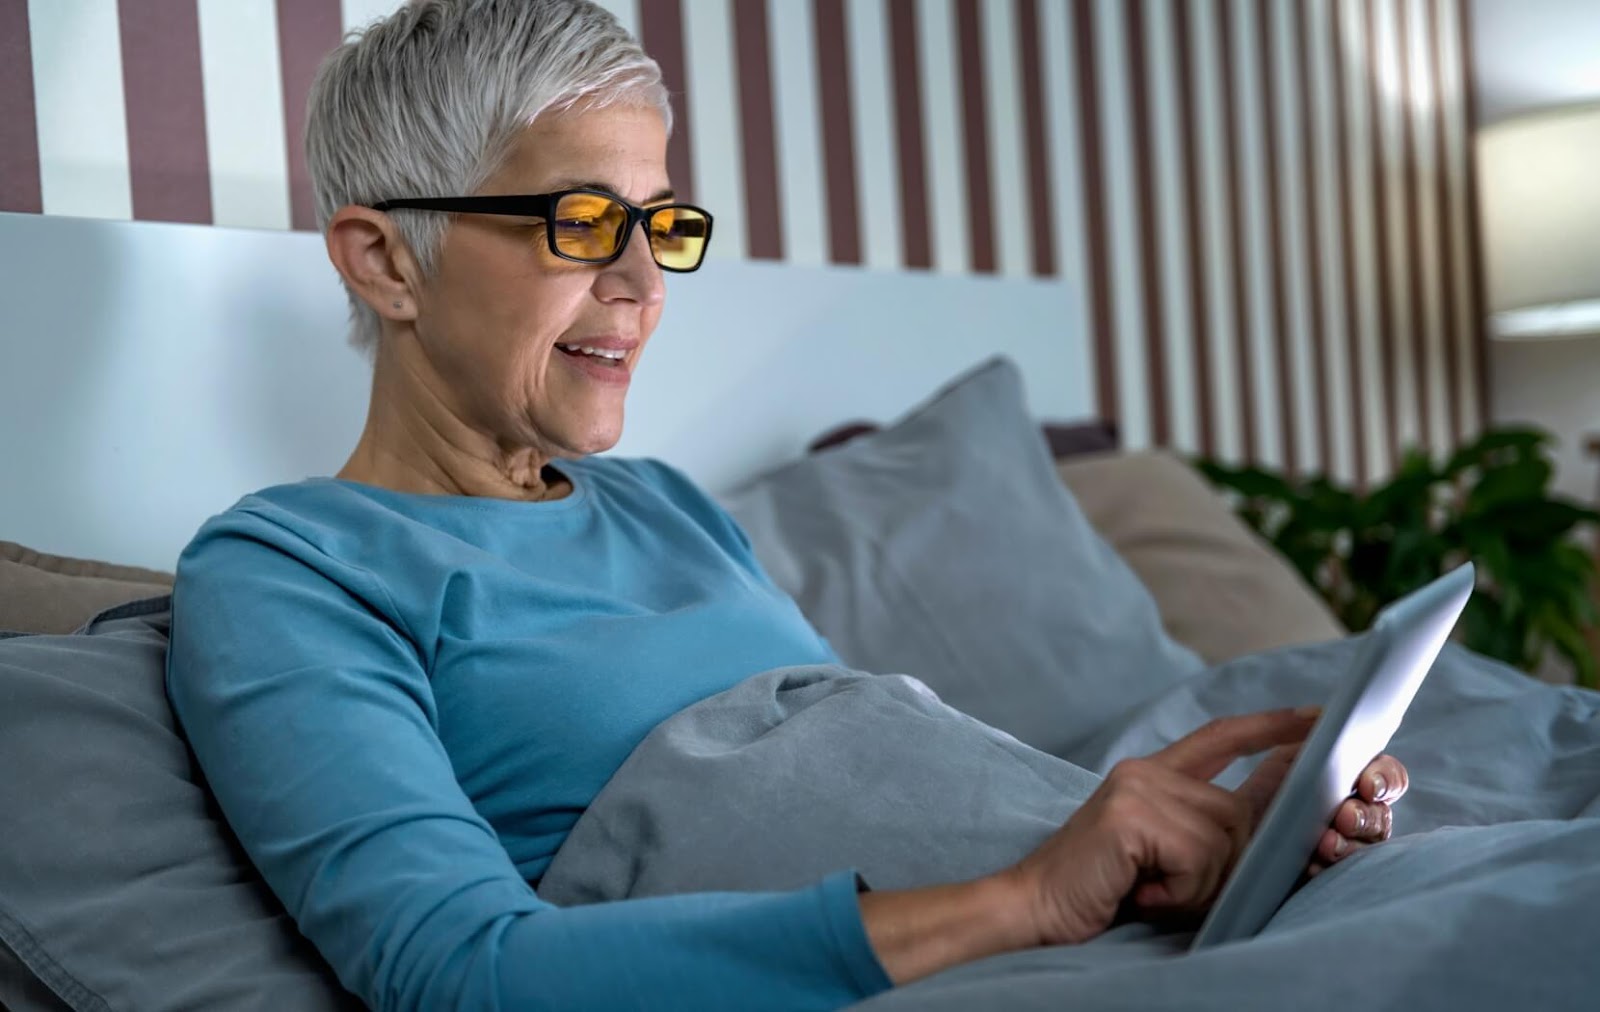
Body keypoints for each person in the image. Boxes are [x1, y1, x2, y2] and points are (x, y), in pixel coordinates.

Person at [164, 2, 1407, 1009]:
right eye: (585, 220)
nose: (645, 281)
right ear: (385, 258)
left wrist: (1173, 837)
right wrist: (1030, 894)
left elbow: (872, 773)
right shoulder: (294, 570)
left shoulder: (661, 505)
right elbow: (460, 972)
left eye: (661, 224)